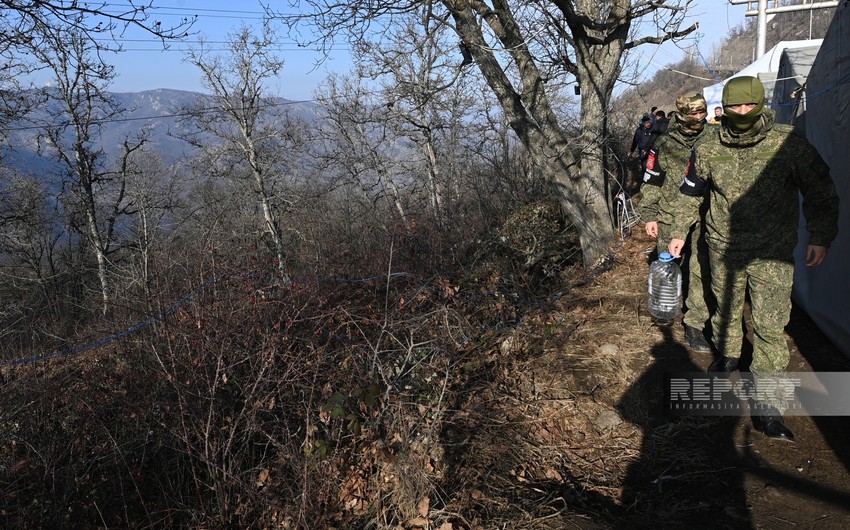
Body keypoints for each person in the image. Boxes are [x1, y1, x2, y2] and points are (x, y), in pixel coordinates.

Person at [661, 76, 839, 442]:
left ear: (760, 105)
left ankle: (768, 404)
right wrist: (678, 229)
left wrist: (821, 236)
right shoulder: (709, 145)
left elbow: (821, 190)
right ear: (722, 109)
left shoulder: (787, 142)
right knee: (725, 313)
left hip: (772, 253)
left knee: (770, 326)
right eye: (734, 106)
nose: (741, 113)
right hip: (724, 247)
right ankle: (727, 357)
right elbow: (690, 192)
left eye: (748, 105)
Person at [638, 93, 712, 353]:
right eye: (693, 113)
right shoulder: (664, 143)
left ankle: (695, 324)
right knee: (667, 267)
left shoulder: (715, 139)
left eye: (702, 112)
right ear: (680, 115)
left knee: (700, 269)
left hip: (705, 218)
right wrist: (649, 214)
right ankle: (664, 310)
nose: (698, 118)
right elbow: (652, 180)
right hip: (669, 216)